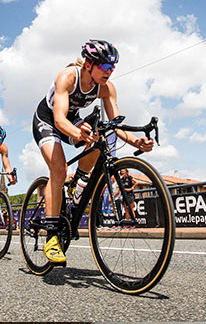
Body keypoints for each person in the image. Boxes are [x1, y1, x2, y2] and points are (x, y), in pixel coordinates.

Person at [31, 40, 153, 264]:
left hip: (72, 119)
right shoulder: (67, 77)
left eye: (112, 68)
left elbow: (116, 124)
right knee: (58, 169)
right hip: (47, 120)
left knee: (101, 138)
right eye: (105, 67)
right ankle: (51, 237)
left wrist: (137, 142)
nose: (110, 72)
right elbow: (59, 119)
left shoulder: (107, 88)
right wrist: (77, 133)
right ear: (89, 65)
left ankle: (79, 184)